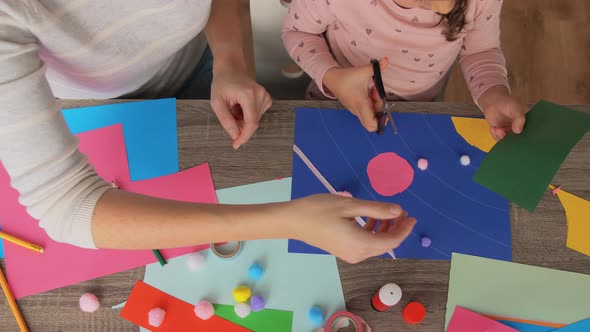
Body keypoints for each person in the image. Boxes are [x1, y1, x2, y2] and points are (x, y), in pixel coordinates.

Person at [0, 1, 415, 264]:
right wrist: (290, 222)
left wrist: (231, 62)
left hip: (198, 65)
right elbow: (64, 205)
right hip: (92, 110)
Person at [282, 0, 528, 141]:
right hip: (334, 101)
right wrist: (332, 77)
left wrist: (493, 94)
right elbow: (298, 31)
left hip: (418, 109)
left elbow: (480, 52)